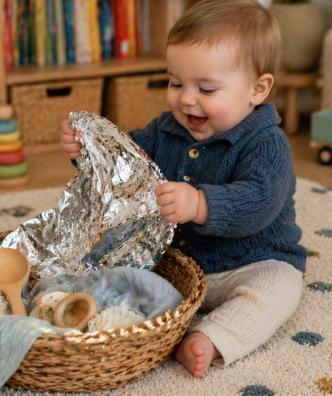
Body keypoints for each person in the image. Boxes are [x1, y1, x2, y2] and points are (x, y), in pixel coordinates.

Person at [61, 0, 306, 378]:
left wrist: (201, 204)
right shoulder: (166, 129)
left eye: (206, 88)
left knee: (282, 287)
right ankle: (127, 319)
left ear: (257, 89)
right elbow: (129, 165)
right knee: (115, 258)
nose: (186, 98)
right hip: (178, 262)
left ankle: (210, 336)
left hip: (252, 261)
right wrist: (91, 152)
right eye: (175, 83)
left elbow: (260, 201)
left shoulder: (266, 144)